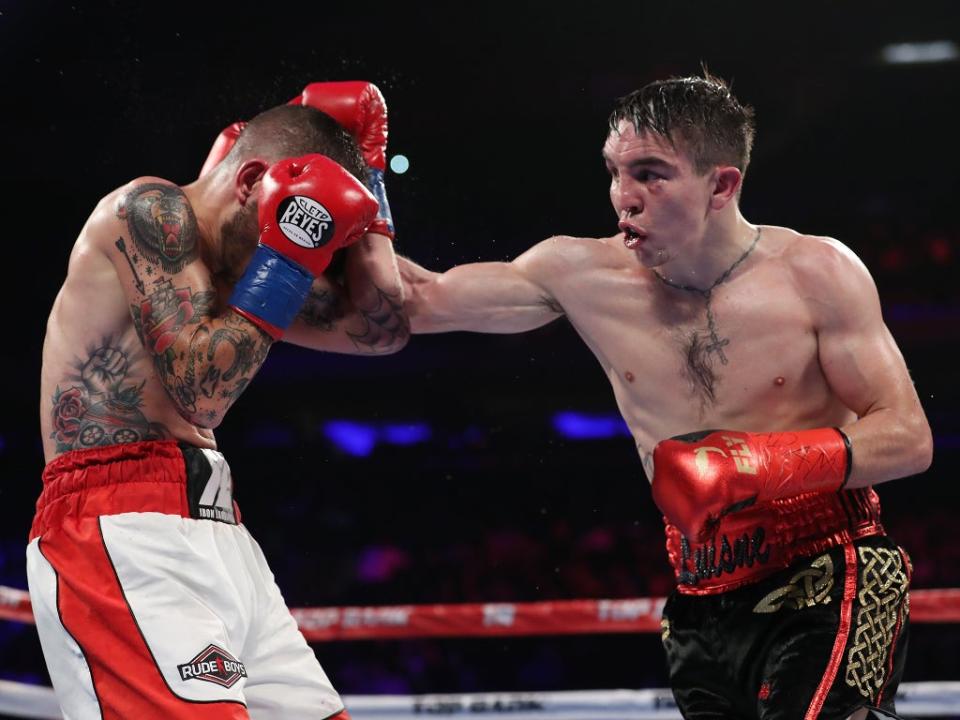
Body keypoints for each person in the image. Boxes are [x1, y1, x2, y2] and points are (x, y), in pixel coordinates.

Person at [399, 73, 932, 720]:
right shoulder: (578, 275)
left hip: (829, 569)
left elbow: (908, 436)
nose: (624, 196)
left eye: (651, 174)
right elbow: (410, 307)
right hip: (697, 598)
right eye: (615, 171)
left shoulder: (816, 273)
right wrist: (360, 190)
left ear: (721, 185)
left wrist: (757, 466)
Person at [30, 82, 407, 719]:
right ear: (252, 180)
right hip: (118, 524)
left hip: (220, 526)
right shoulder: (149, 209)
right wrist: (290, 249)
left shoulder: (247, 269)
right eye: (297, 237)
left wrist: (369, 180)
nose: (305, 267)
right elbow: (199, 391)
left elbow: (383, 329)